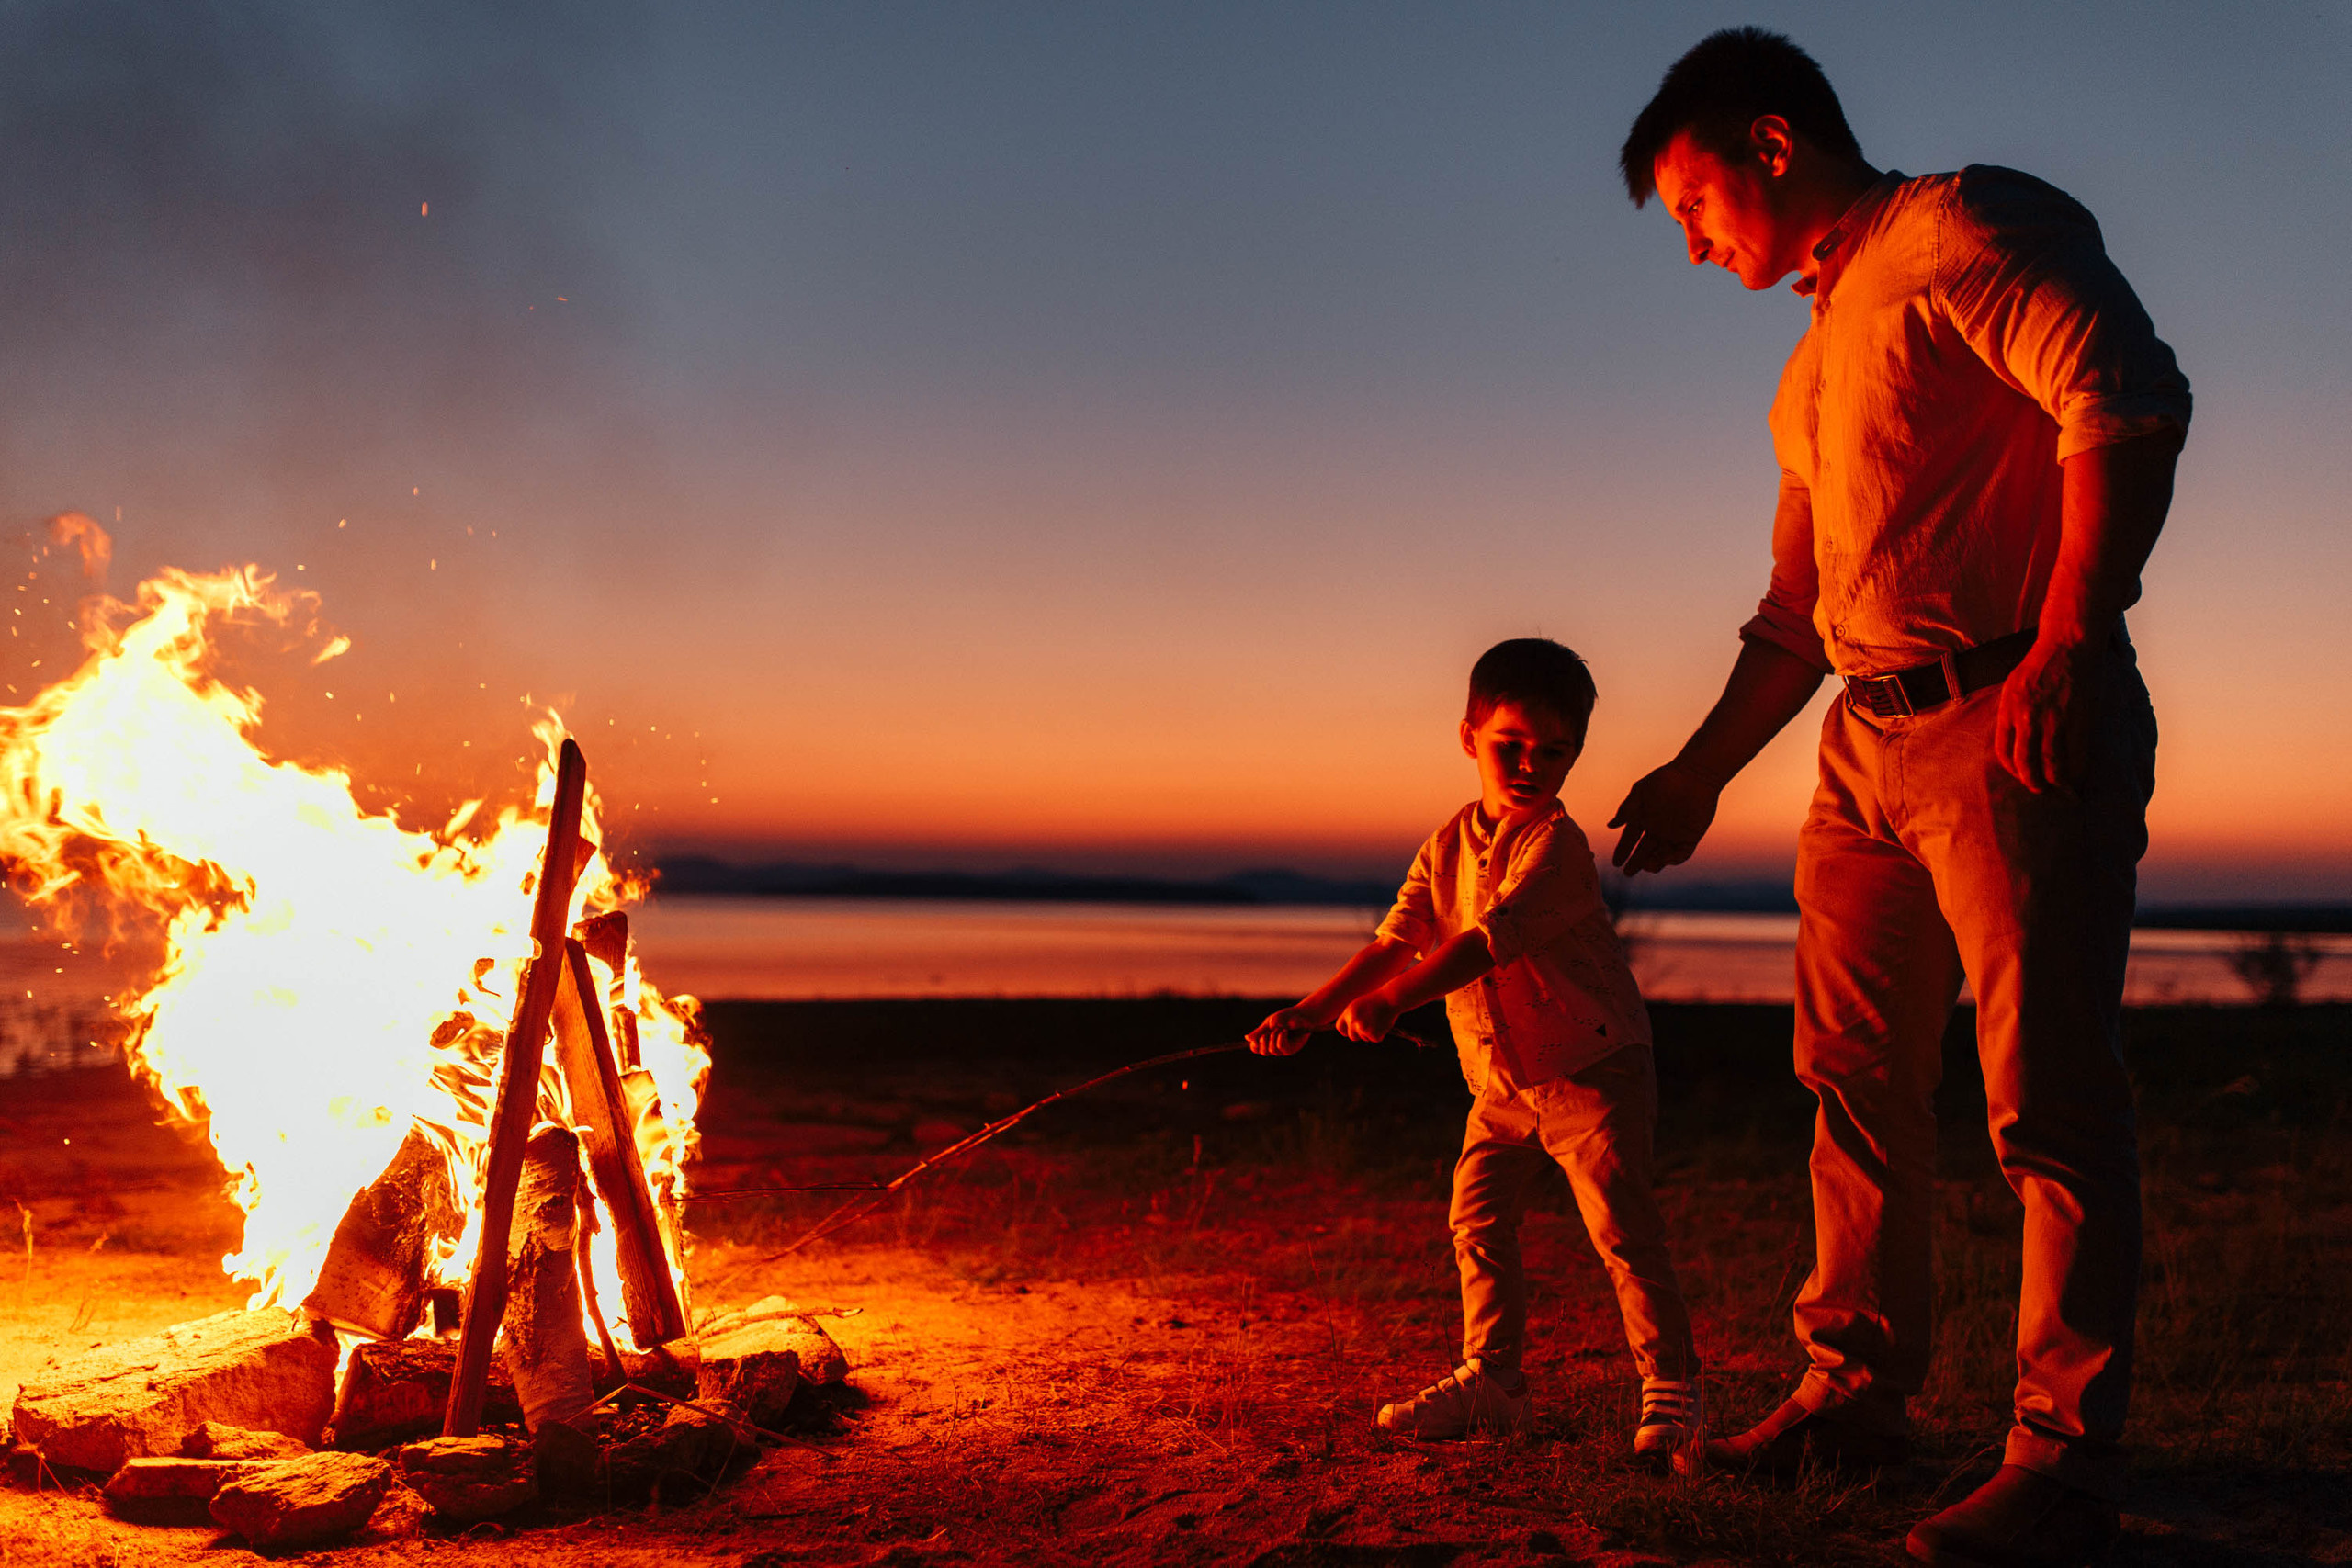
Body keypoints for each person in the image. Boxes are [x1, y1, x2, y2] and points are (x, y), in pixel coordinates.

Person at [1609, 27, 2188, 1568]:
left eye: (1694, 200)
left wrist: (2071, 643)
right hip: (1858, 750)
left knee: (2045, 1093)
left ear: (1774, 144)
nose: (1693, 243)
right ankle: (1855, 1390)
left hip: (2009, 711)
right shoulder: (1808, 367)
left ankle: (2063, 1460)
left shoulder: (1966, 231)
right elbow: (1793, 611)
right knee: (1852, 1078)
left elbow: (2124, 401)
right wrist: (1696, 768)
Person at [1249, 637, 1702, 1469]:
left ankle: (1671, 1385)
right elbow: (1400, 936)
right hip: (1499, 1083)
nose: (1530, 765)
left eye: (1553, 751)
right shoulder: (1449, 841)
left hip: (1593, 1071)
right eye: (1511, 745)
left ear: (1575, 754)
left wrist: (1393, 1001)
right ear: (1469, 737)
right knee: (1478, 1217)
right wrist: (1317, 1007)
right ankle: (1493, 1380)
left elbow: (1487, 944)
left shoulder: (1557, 848)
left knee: (1622, 1229)